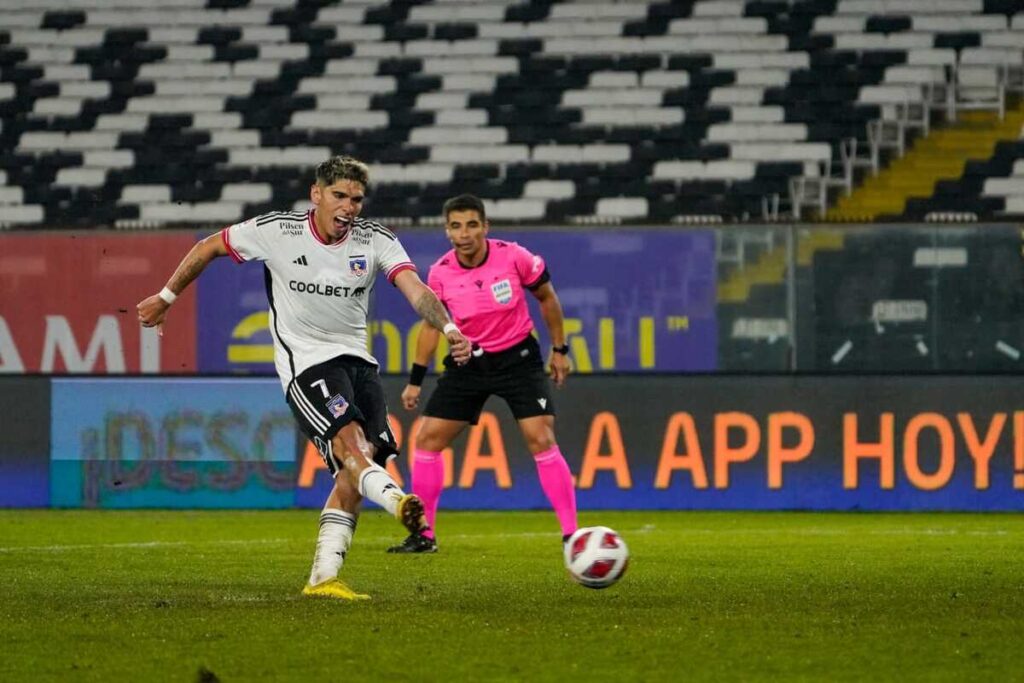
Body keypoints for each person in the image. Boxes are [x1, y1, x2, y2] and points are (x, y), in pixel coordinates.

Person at [137, 156, 472, 599]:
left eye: (356, 199)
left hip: (359, 364)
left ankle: (323, 579)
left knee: (357, 467)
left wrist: (448, 327)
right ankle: (398, 501)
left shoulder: (375, 240)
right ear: (317, 194)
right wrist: (165, 296)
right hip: (308, 364)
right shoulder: (277, 230)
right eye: (339, 196)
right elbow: (208, 247)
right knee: (351, 443)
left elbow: (416, 290)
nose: (349, 207)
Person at [391, 193, 577, 554]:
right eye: (456, 226)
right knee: (427, 441)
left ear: (485, 227)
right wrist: (415, 380)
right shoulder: (441, 272)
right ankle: (423, 535)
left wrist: (559, 350)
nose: (465, 234)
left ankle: (572, 534)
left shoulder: (514, 256)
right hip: (468, 363)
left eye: (472, 225)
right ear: (447, 231)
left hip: (517, 359)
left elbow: (547, 298)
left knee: (541, 438)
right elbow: (432, 327)